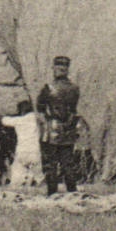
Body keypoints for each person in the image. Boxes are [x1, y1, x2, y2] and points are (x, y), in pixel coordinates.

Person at [37, 54, 82, 194]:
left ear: (54, 69)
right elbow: (73, 109)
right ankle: (72, 192)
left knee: (51, 164)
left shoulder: (48, 88)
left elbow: (40, 106)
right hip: (68, 129)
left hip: (52, 129)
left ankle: (52, 193)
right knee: (68, 163)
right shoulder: (74, 88)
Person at [0, 98, 42, 187]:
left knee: (17, 172)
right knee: (36, 171)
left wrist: (7, 115)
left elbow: (4, 121)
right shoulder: (36, 119)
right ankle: (33, 179)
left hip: (22, 150)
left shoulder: (19, 120)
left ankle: (19, 181)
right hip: (35, 150)